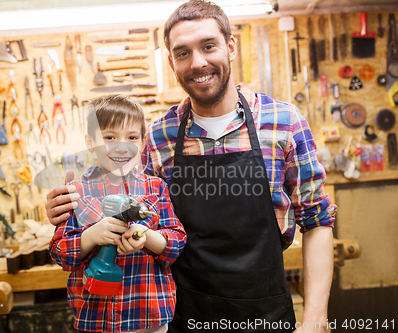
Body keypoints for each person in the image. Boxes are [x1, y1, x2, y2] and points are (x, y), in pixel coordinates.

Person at [47, 1, 336, 332]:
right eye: (183, 53)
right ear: (172, 62)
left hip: (264, 311)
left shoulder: (283, 123)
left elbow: (317, 221)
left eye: (208, 46)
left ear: (230, 47)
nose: (198, 62)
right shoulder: (157, 136)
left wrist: (315, 320)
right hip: (184, 316)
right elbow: (122, 202)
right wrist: (68, 205)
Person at [49, 95, 186, 333]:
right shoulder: (76, 192)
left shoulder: (156, 188)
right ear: (90, 142)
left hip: (148, 314)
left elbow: (175, 244)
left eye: (131, 137)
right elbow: (61, 253)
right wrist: (91, 235)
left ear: (142, 143)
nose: (121, 146)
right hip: (97, 317)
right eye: (110, 137)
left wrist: (146, 236)